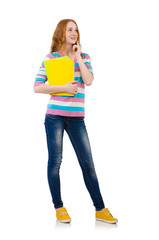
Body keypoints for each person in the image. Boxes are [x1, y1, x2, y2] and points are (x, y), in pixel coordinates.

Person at [33, 19, 118, 224]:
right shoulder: (51, 58)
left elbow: (88, 80)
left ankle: (100, 209)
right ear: (61, 33)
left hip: (77, 118)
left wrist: (78, 56)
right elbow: (37, 86)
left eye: (76, 30)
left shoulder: (85, 56)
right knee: (55, 162)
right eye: (70, 29)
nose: (74, 33)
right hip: (54, 117)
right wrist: (62, 87)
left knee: (88, 164)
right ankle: (59, 207)